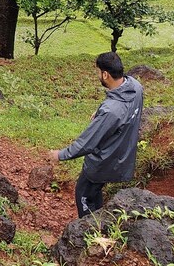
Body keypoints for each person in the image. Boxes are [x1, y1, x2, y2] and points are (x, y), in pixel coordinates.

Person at [48, 52, 144, 218]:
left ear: (105, 74)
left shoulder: (111, 111)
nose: (97, 75)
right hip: (123, 156)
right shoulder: (135, 87)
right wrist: (101, 113)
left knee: (84, 194)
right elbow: (120, 111)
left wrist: (60, 155)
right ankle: (100, 222)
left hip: (103, 162)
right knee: (95, 192)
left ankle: (88, 231)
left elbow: (88, 143)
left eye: (98, 72)